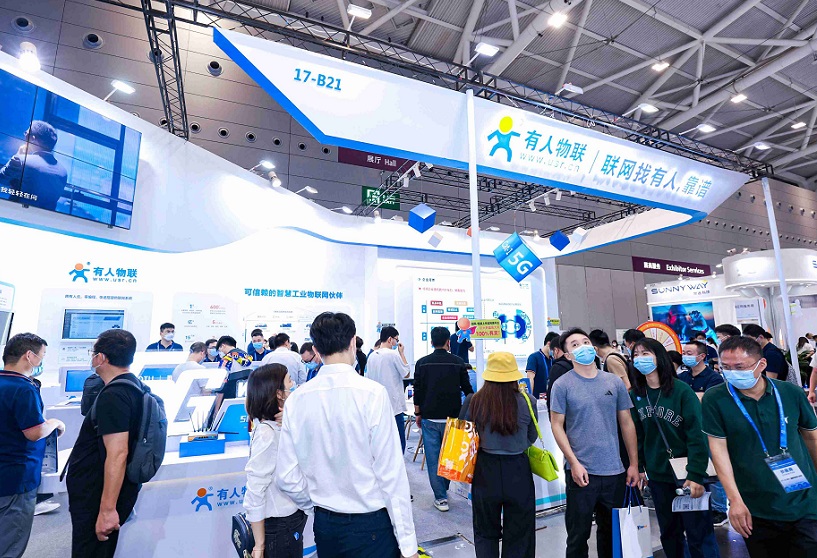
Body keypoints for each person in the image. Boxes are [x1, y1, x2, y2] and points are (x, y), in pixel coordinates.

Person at [276, 312, 418, 558]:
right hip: (371, 524)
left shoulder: (297, 399)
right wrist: (408, 545)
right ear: (353, 341)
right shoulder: (372, 394)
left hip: (326, 524)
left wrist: (317, 504)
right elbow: (391, 475)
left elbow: (286, 477)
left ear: (316, 350)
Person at [703, 335, 817, 557]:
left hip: (805, 501)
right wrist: (734, 500)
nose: (732, 372)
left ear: (761, 364)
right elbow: (718, 450)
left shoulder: (790, 393)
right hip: (755, 505)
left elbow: (811, 438)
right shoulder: (715, 398)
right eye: (725, 367)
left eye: (740, 367)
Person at [550, 328, 639, 558]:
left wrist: (633, 464)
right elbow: (556, 425)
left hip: (614, 471)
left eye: (585, 342)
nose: (583, 347)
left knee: (611, 535)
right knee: (578, 536)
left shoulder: (613, 382)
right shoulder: (562, 385)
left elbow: (627, 423)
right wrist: (573, 462)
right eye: (575, 345)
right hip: (581, 472)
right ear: (567, 355)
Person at [629, 337, 719, 558]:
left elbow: (696, 435)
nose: (640, 359)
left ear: (659, 357)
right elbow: (637, 435)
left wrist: (696, 474)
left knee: (699, 533)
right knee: (669, 533)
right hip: (658, 476)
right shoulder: (636, 394)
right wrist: (640, 467)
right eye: (636, 355)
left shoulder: (681, 391)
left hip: (686, 474)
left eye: (645, 354)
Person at [66, 329, 145, 557]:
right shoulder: (132, 386)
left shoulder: (115, 395)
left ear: (101, 357)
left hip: (96, 494)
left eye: (93, 353)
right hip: (101, 490)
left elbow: (118, 453)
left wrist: (107, 510)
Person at [461, 352, 537, 557]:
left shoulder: (475, 401)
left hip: (485, 469)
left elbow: (466, 438)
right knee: (520, 532)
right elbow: (531, 436)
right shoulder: (528, 401)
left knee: (485, 530)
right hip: (518, 468)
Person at [0, 333, 65, 558]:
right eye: (42, 355)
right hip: (16, 478)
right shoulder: (23, 388)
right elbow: (34, 432)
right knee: (10, 543)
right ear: (29, 356)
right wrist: (54, 423)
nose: (42, 361)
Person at [244, 364, 306, 558]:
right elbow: (255, 488)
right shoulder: (267, 434)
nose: (293, 385)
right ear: (279, 393)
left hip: (290, 520)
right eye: (289, 381)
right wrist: (259, 545)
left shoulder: (279, 426)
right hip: (279, 526)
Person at [413, 327, 473, 512]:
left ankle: (440, 498)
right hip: (453, 419)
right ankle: (444, 488)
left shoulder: (422, 363)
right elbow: (468, 391)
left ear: (431, 342)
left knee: (433, 460)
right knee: (450, 458)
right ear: (448, 342)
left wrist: (418, 413)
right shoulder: (458, 362)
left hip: (429, 417)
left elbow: (417, 390)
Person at [0, 120, 68, 211]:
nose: (25, 136)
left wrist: (18, 154)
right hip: (46, 216)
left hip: (17, 213)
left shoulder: (21, 160)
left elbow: (2, 179)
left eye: (26, 134)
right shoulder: (63, 171)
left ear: (33, 138)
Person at [366, 326, 411, 453]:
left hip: (377, 404)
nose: (397, 343)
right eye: (396, 340)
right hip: (394, 405)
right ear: (390, 339)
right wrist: (402, 353)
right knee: (398, 441)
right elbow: (406, 373)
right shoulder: (393, 355)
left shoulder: (372, 356)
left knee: (381, 441)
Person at [525, 332, 558, 399]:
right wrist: (530, 397)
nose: (556, 351)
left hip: (550, 397)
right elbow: (530, 379)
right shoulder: (534, 357)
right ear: (549, 344)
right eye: (555, 349)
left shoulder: (553, 359)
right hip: (537, 398)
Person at [546, 334, 573, 411]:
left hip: (562, 411)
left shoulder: (557, 367)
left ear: (556, 350)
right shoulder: (575, 363)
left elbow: (552, 394)